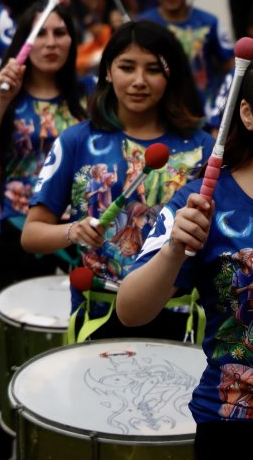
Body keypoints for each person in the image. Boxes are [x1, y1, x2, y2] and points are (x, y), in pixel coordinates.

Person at [0, 1, 87, 460]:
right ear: (25, 46)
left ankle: (71, 451)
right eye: (45, 34)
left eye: (62, 33)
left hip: (79, 241)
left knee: (73, 348)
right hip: (15, 236)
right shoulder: (4, 97)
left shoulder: (92, 100)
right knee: (11, 352)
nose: (53, 42)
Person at [22, 20, 214, 343]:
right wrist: (72, 231)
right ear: (108, 72)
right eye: (127, 67)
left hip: (179, 321)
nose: (139, 81)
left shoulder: (202, 149)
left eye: (154, 69)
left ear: (171, 75)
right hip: (98, 315)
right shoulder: (76, 142)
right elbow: (32, 234)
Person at [116, 65, 253, 460]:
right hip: (234, 426)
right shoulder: (203, 202)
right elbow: (131, 310)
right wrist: (175, 249)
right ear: (247, 114)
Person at [137, 0, 233, 126]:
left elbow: (231, 65)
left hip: (205, 114)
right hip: (160, 113)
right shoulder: (142, 24)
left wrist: (221, 103)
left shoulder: (210, 21)